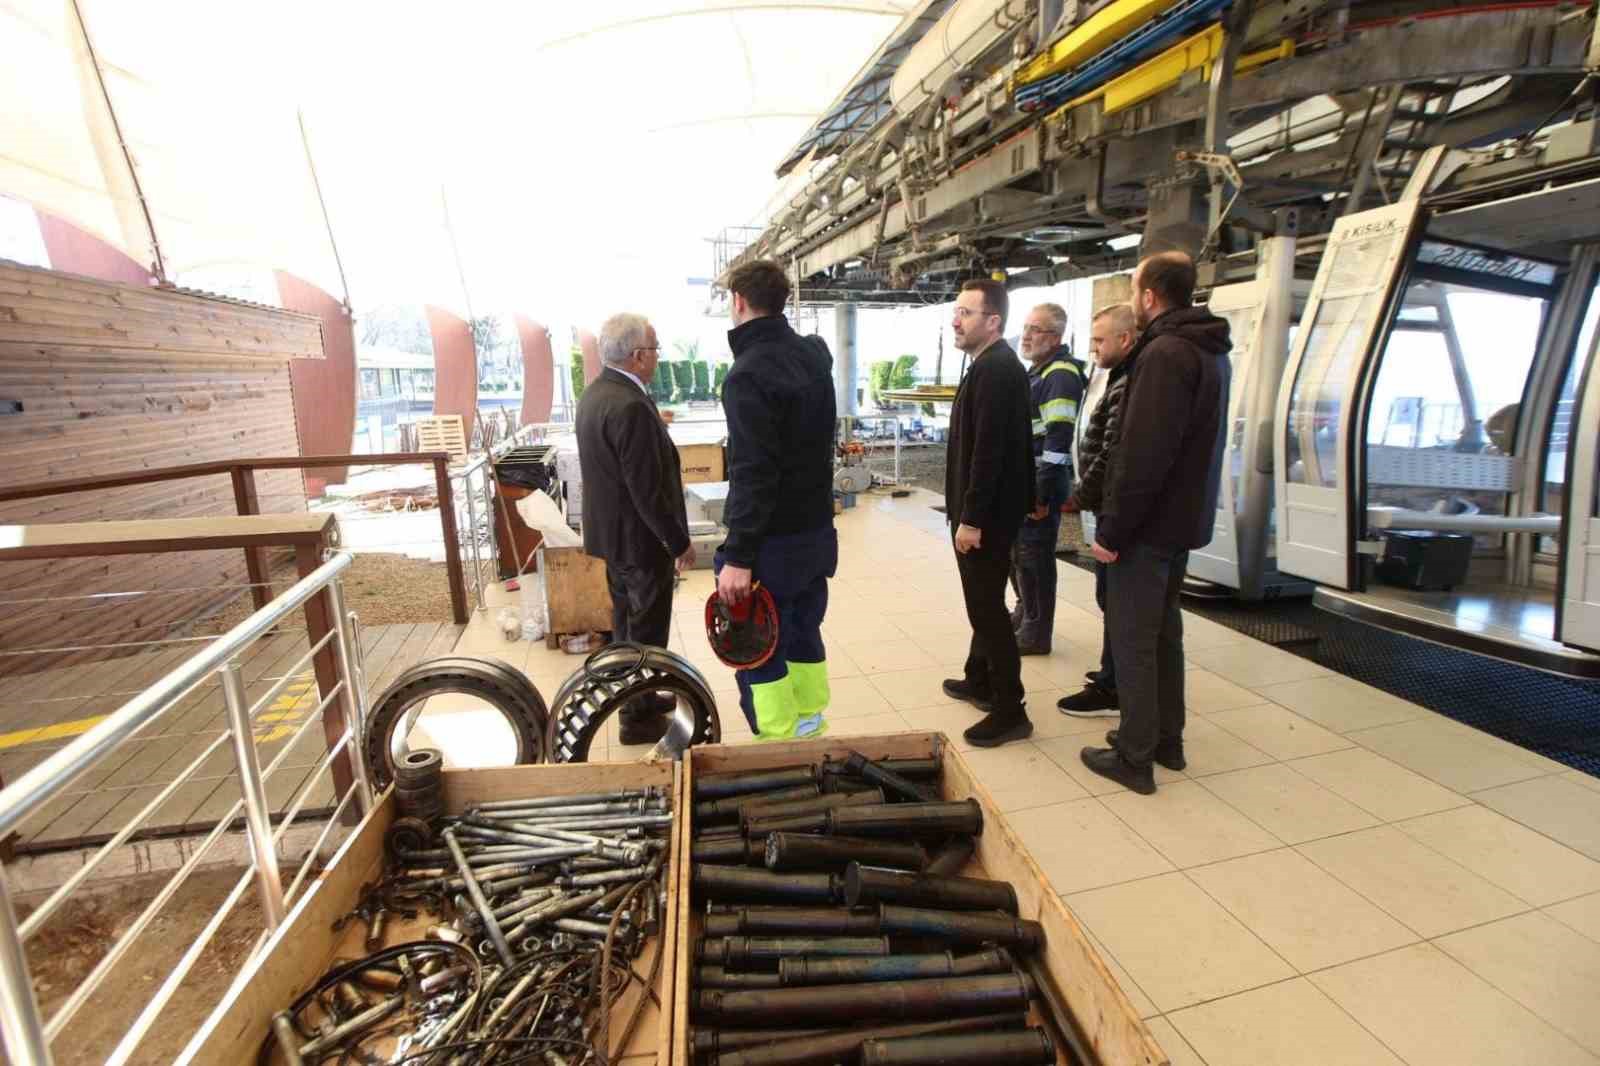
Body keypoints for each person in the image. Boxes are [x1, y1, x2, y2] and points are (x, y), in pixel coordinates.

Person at [1080, 251, 1232, 794]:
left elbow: (1141, 453)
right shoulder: (1210, 349)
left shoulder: (1163, 353)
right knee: (1165, 636)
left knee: (1133, 641)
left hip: (1146, 528)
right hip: (1181, 523)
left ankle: (1134, 756)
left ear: (1148, 296)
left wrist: (1112, 529)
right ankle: (1170, 741)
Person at [714, 259, 839, 740]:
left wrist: (740, 555)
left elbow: (754, 472)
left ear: (739, 301)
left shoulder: (747, 375)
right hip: (814, 537)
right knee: (805, 633)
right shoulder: (812, 359)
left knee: (761, 645)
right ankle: (810, 728)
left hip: (772, 546)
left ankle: (779, 746)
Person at [575, 313, 696, 745]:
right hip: (641, 542)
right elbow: (647, 489)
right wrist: (679, 542)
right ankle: (637, 720)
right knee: (647, 630)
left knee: (627, 623)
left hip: (613, 537)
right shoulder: (629, 405)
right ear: (639, 356)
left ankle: (636, 697)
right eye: (656, 349)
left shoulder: (597, 394)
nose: (659, 357)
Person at [940, 278, 1036, 748]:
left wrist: (972, 519)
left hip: (987, 520)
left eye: (967, 313)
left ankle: (1009, 708)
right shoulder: (986, 364)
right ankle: (978, 678)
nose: (956, 321)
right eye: (956, 312)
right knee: (985, 603)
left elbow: (990, 454)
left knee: (987, 611)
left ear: (993, 321)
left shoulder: (996, 369)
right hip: (984, 514)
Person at [1057, 303, 1137, 717]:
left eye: (1099, 340)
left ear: (1125, 339)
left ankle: (1114, 687)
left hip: (1113, 513)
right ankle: (1111, 676)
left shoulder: (1129, 384)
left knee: (1119, 605)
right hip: (1106, 509)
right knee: (1112, 602)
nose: (1093, 349)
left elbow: (1111, 454)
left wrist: (1079, 497)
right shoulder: (1120, 378)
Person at [1010, 302, 1084, 655]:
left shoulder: (1060, 375)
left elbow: (1058, 439)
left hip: (1042, 486)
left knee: (1034, 559)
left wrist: (1040, 494)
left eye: (1035, 330)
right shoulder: (1039, 372)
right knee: (1020, 557)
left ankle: (1036, 632)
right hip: (1027, 482)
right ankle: (1026, 614)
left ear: (1055, 337)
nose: (1026, 336)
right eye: (1025, 328)